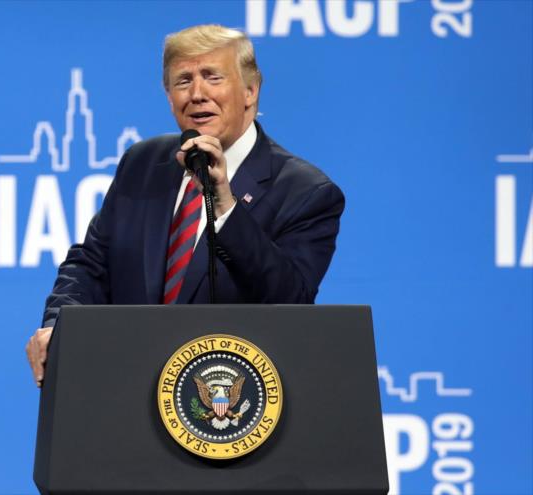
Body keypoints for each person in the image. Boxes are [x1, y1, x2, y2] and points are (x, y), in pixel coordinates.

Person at [26, 24, 345, 386]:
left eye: (212, 77)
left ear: (250, 92)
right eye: (182, 81)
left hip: (224, 408)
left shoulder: (305, 192)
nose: (197, 94)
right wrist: (59, 326)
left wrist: (226, 206)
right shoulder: (143, 163)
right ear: (168, 96)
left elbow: (290, 302)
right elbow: (91, 263)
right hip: (127, 390)